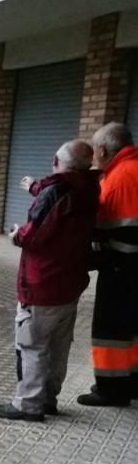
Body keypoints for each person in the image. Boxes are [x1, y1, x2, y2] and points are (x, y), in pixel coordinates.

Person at [0, 140, 100, 422]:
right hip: (70, 284)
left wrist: (16, 234)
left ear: (55, 160)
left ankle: (28, 405)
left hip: (42, 285)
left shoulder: (56, 191)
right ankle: (48, 399)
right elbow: (60, 197)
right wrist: (35, 187)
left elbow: (34, 234)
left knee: (32, 345)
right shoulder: (89, 187)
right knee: (58, 347)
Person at [77, 123, 138, 407]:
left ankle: (112, 388)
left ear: (102, 150)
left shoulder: (119, 178)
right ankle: (132, 382)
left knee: (111, 329)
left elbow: (112, 229)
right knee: (133, 328)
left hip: (123, 269)